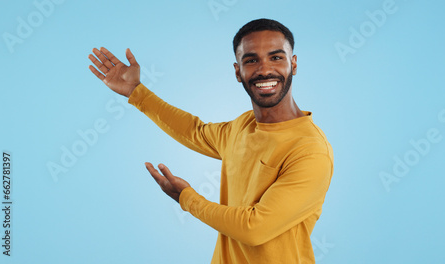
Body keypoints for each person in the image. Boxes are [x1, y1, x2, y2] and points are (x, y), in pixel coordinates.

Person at [88, 18, 334, 264]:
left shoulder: (310, 150)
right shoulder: (243, 126)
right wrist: (136, 91)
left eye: (276, 57)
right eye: (251, 60)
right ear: (238, 71)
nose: (264, 69)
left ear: (294, 64)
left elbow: (254, 228)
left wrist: (187, 199)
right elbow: (195, 131)